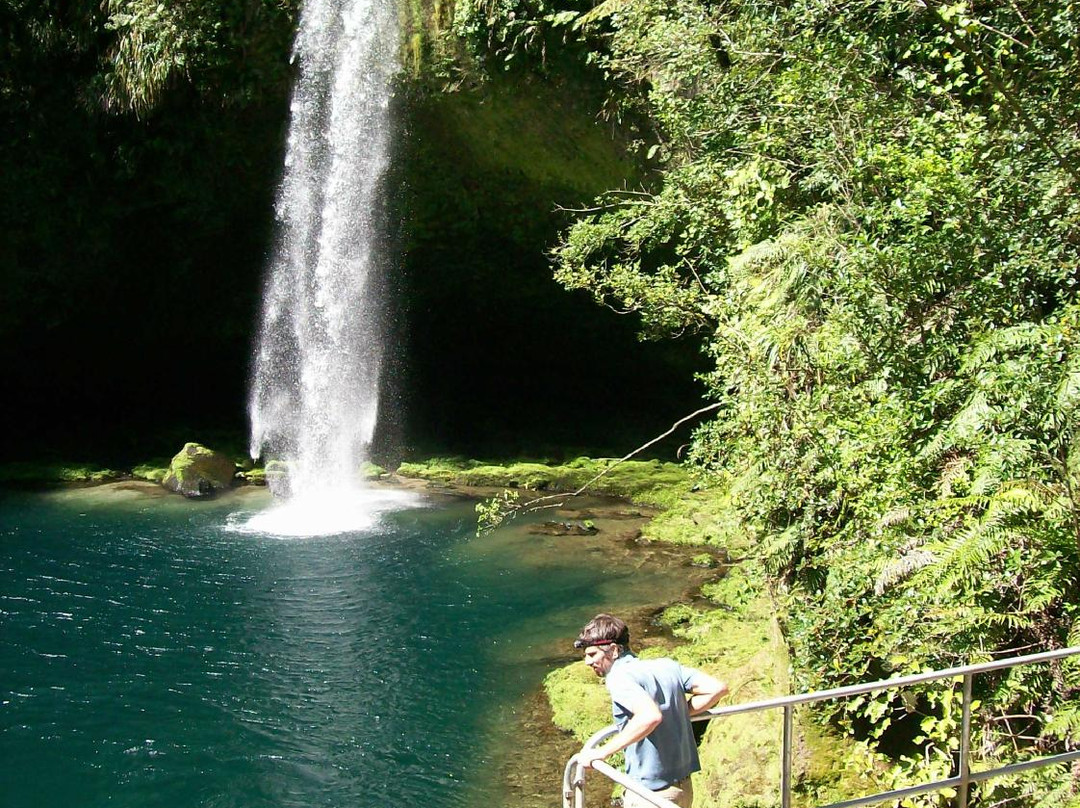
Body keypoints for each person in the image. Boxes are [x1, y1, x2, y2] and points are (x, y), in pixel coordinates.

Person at [573, 613, 728, 808]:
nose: (587, 662)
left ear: (613, 650)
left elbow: (650, 716)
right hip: (684, 788)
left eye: (592, 654)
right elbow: (717, 688)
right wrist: (679, 711)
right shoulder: (667, 666)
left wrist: (602, 752)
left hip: (650, 795)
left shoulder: (619, 677)